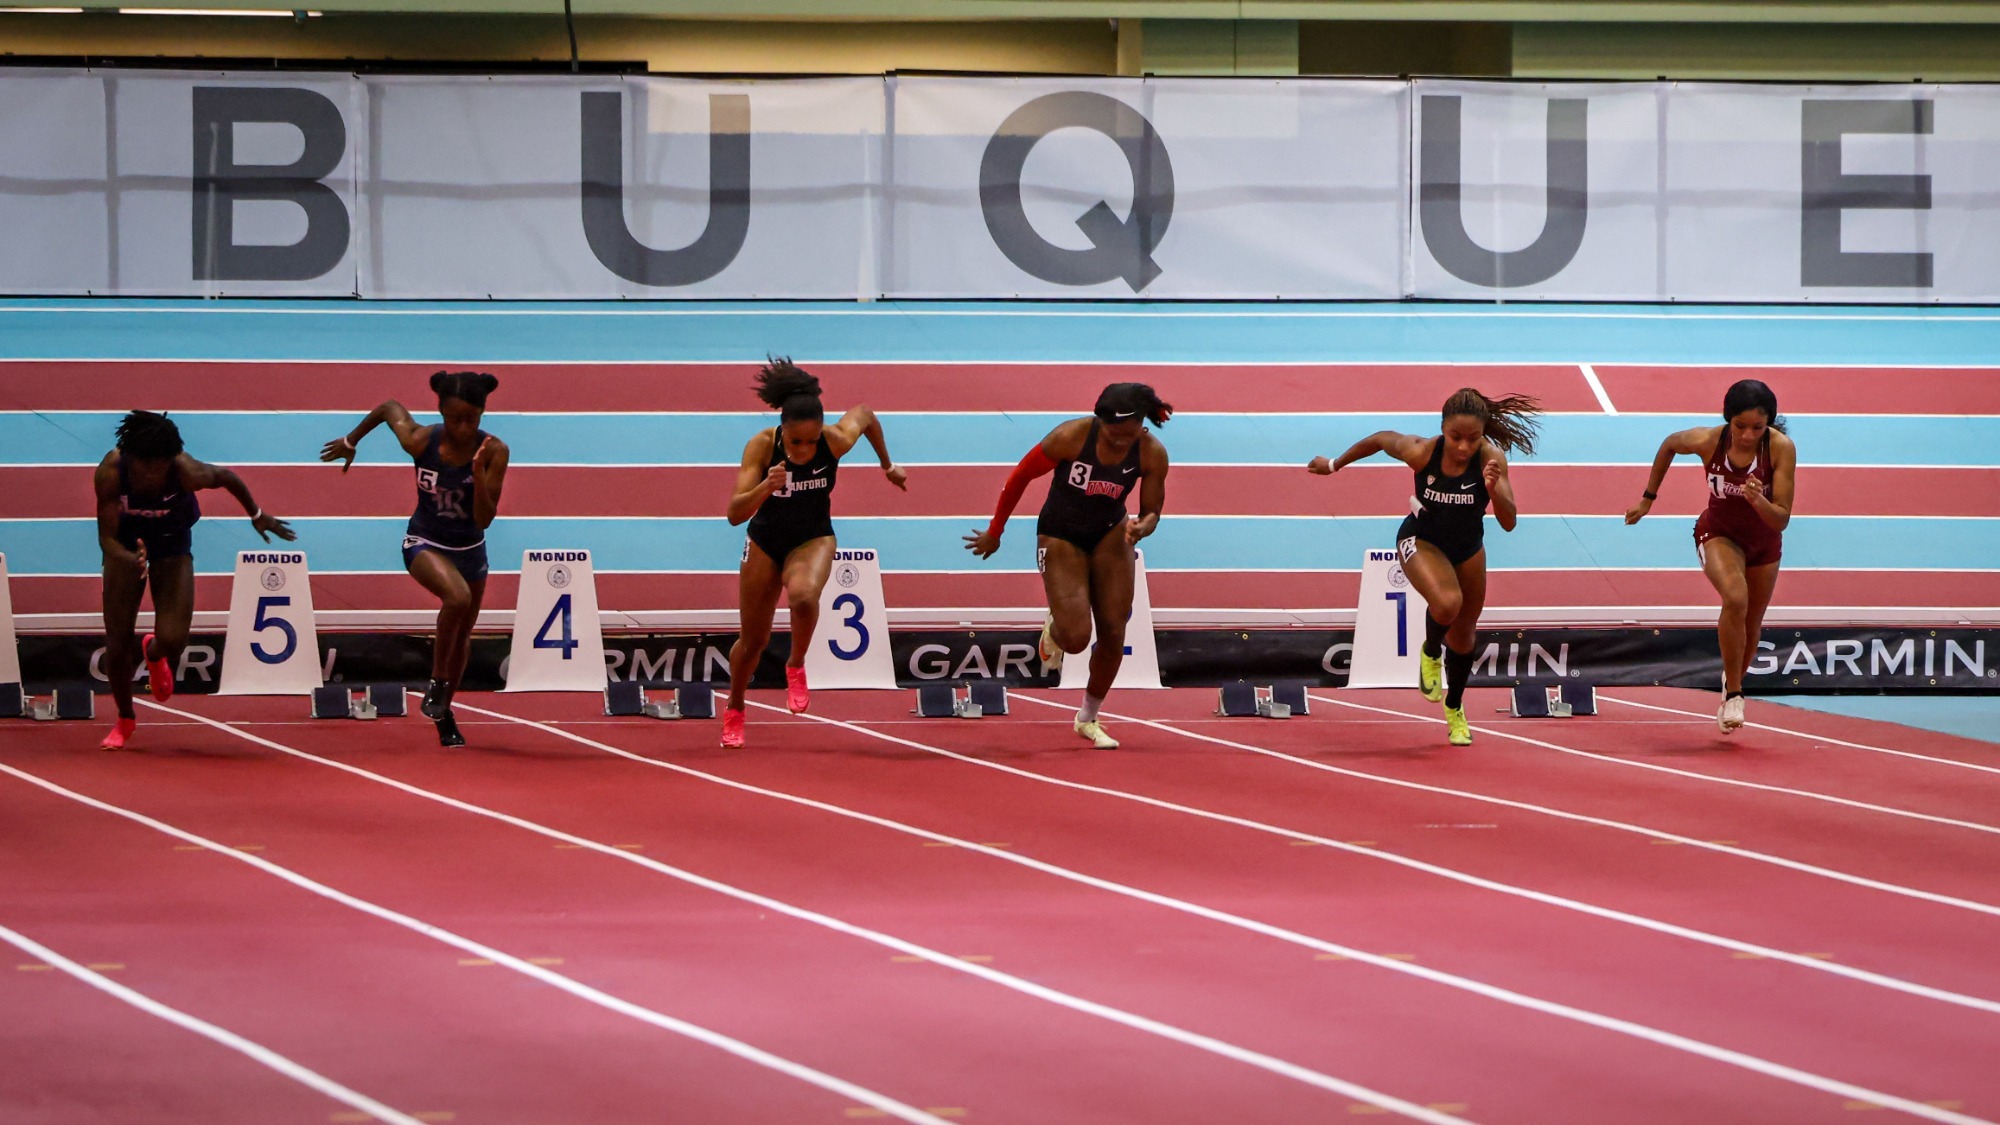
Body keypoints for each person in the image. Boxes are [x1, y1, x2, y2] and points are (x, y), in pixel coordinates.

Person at [1309, 388, 1541, 746]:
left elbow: (1509, 522)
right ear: (1442, 429)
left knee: (1464, 635)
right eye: (1455, 438)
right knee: (1448, 603)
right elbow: (1380, 439)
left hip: (1468, 548)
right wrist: (1334, 464)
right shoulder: (1421, 452)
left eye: (1473, 438)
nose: (1464, 447)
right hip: (1421, 540)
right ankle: (1431, 651)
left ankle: (1455, 709)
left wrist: (1494, 491)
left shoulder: (1490, 459)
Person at [965, 383, 1171, 750]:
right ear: (1099, 423)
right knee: (1076, 639)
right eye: (1110, 437)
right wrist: (996, 531)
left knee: (1113, 630)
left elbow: (1153, 510)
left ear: (1141, 426)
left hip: (1111, 534)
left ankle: (1088, 718)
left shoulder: (1152, 453)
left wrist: (1144, 526)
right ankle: (1056, 624)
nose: (1116, 444)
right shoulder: (1071, 437)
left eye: (1125, 439)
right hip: (1060, 534)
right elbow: (1020, 477)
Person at [721, 359, 905, 749]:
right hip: (765, 540)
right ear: (782, 431)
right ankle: (735, 707)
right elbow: (735, 514)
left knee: (804, 595)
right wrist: (764, 488)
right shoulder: (761, 445)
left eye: (809, 441)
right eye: (795, 443)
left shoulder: (834, 440)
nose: (804, 451)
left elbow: (867, 415)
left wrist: (887, 465)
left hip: (814, 537)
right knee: (752, 641)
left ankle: (796, 663)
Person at [322, 372, 509, 747]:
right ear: (440, 411)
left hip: (470, 550)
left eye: (471, 420)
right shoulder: (421, 440)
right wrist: (350, 440)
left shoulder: (494, 452)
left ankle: (444, 711)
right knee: (457, 598)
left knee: (462, 637)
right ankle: (437, 684)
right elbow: (390, 408)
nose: (462, 427)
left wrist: (476, 476)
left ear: (482, 415)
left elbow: (485, 520)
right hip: (424, 542)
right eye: (454, 418)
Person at [95, 410, 295, 750]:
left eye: (160, 467)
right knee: (117, 644)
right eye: (146, 468)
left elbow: (227, 477)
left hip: (172, 544)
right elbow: (106, 540)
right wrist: (131, 559)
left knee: (173, 639)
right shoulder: (111, 473)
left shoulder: (186, 471)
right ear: (132, 460)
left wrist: (256, 515)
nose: (153, 476)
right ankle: (125, 717)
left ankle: (155, 653)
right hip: (126, 548)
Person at [1626, 379, 1795, 733]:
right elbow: (1669, 444)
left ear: (1769, 425)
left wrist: (1758, 500)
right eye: (1740, 426)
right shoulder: (1708, 441)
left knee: (1751, 623)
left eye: (1757, 428)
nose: (1748, 435)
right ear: (1727, 420)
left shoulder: (1779, 449)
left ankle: (1729, 680)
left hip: (1765, 543)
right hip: (1719, 535)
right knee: (1736, 598)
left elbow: (1781, 520)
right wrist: (1647, 497)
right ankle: (1734, 694)